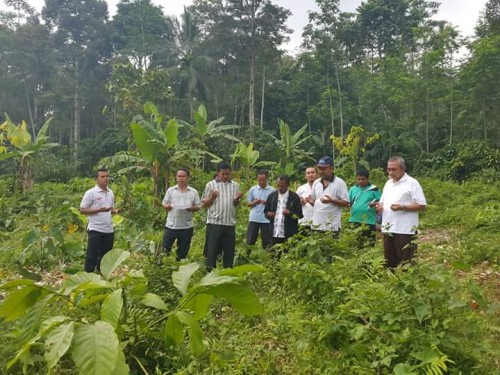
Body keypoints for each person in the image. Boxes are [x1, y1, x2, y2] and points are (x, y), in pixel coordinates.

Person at [375, 156, 427, 268]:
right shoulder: (388, 183)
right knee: (389, 261)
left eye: (394, 169)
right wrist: (380, 207)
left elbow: (421, 205)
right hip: (388, 227)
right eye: (388, 169)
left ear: (403, 169)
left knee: (406, 262)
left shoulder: (412, 183)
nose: (390, 172)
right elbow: (382, 202)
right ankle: (390, 283)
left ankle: (407, 284)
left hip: (405, 229)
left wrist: (403, 207)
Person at [201, 161, 243, 271]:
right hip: (215, 223)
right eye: (223, 174)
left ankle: (228, 273)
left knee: (229, 251)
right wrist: (212, 197)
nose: (225, 176)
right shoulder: (211, 185)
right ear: (218, 173)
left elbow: (235, 204)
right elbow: (204, 204)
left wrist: (237, 199)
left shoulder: (235, 185)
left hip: (229, 223)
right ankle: (210, 272)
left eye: (227, 174)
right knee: (212, 250)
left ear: (231, 173)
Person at [80, 168, 120, 273]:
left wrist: (115, 211)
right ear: (96, 179)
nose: (106, 178)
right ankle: (88, 275)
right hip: (95, 229)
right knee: (92, 254)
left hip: (108, 229)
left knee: (106, 255)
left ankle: (101, 274)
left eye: (107, 176)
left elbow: (109, 209)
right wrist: (98, 209)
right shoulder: (91, 193)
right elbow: (82, 210)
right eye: (102, 177)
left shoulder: (110, 192)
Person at [161, 168, 200, 261]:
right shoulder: (171, 190)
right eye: (179, 176)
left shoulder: (193, 192)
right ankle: (162, 270)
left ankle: (178, 269)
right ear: (176, 177)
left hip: (186, 227)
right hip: (171, 226)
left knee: (182, 253)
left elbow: (198, 206)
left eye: (183, 176)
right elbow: (164, 203)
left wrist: (191, 208)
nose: (181, 178)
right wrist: (167, 206)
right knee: (165, 250)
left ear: (188, 178)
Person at [311, 156, 349, 236]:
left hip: (332, 227)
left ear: (331, 168)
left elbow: (346, 203)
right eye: (320, 168)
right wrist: (307, 201)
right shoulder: (316, 183)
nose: (321, 171)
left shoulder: (339, 183)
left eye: (324, 168)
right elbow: (314, 201)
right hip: (316, 225)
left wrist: (331, 201)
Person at [264, 175, 303, 247]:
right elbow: (266, 211)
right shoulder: (272, 196)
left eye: (282, 186)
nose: (280, 188)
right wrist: (269, 214)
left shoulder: (294, 197)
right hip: (274, 232)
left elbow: (300, 215)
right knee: (274, 255)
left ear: (288, 185)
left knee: (288, 255)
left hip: (289, 234)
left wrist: (290, 213)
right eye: (278, 185)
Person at [348, 169, 382, 246]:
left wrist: (374, 204)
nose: (360, 181)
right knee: (354, 245)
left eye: (363, 179)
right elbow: (348, 202)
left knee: (369, 244)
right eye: (359, 179)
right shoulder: (353, 189)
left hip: (369, 221)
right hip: (354, 219)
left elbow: (381, 202)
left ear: (367, 179)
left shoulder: (374, 189)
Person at [246, 170, 274, 250]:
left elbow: (275, 205)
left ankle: (267, 257)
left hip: (266, 219)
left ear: (267, 179)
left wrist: (267, 204)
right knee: (250, 239)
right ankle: (247, 256)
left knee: (267, 240)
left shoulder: (272, 190)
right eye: (259, 180)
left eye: (263, 180)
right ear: (257, 179)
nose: (261, 182)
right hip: (254, 218)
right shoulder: (253, 189)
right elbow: (248, 204)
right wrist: (255, 202)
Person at [296, 166, 317, 232]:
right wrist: (300, 203)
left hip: (318, 221)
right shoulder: (301, 188)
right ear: (305, 176)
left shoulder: (321, 187)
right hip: (304, 220)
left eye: (312, 172)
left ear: (317, 175)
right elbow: (294, 204)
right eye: (308, 173)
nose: (310, 174)